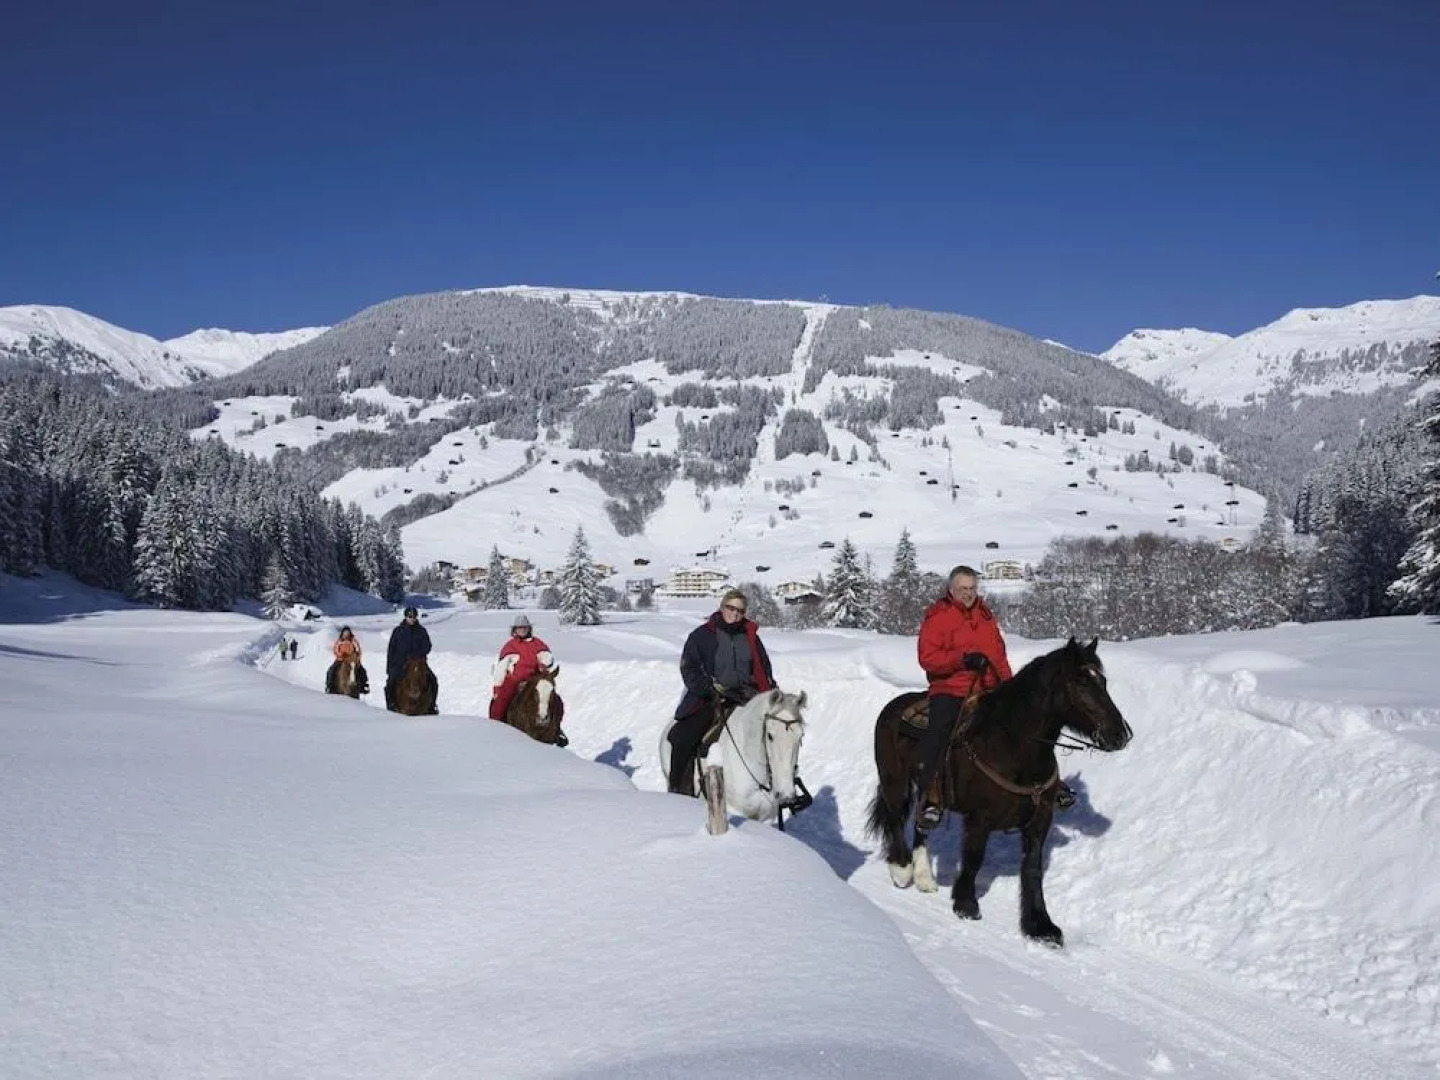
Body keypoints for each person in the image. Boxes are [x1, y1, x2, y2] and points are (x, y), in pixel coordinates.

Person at [914, 565, 1015, 828]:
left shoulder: (985, 616)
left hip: (988, 687)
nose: (968, 594)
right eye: (963, 589)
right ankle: (932, 798)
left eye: (971, 588)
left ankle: (1042, 786)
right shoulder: (937, 617)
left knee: (1024, 721)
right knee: (940, 732)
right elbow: (928, 658)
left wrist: (1011, 687)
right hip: (951, 688)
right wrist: (961, 660)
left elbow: (999, 656)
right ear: (951, 589)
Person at [667, 587, 775, 795]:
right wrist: (706, 688)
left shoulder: (751, 636)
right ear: (722, 606)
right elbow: (689, 668)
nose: (734, 613)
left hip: (746, 697)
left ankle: (780, 786)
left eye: (740, 611)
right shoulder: (701, 636)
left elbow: (763, 668)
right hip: (711, 697)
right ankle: (679, 789)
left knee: (778, 732)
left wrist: (770, 691)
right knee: (683, 737)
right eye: (730, 608)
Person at [488, 613, 568, 747]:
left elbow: (546, 656)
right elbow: (501, 668)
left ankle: (556, 729)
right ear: (514, 630)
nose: (522, 630)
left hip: (534, 678)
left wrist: (544, 663)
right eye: (519, 628)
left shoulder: (537, 643)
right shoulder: (510, 646)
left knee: (555, 699)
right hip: (514, 680)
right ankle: (496, 728)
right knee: (501, 700)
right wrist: (497, 688)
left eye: (524, 628)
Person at [386, 606, 438, 713]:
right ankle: (391, 705)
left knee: (433, 680)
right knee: (390, 683)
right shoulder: (398, 631)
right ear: (405, 617)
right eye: (410, 616)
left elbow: (427, 646)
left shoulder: (421, 631)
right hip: (401, 663)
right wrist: (390, 668)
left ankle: (431, 705)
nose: (412, 619)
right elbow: (391, 650)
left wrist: (418, 654)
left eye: (414, 616)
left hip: (419, 663)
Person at [325, 626, 370, 695]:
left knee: (362, 670)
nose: (346, 635)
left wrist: (356, 657)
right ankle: (329, 686)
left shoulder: (353, 641)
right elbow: (335, 649)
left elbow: (358, 650)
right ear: (342, 634)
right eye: (345, 634)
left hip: (352, 660)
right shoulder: (339, 641)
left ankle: (364, 686)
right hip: (341, 660)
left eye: (348, 633)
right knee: (331, 670)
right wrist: (340, 655)